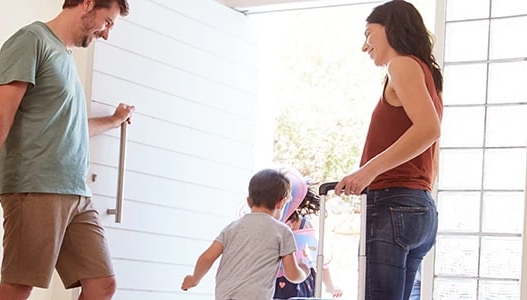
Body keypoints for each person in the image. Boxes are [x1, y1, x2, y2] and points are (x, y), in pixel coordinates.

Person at [0, 1, 132, 299]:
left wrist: (114, 120)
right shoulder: (31, 41)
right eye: (108, 22)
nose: (106, 34)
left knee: (102, 284)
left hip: (76, 193)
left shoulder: (65, 58)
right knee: (19, 284)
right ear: (89, 4)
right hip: (36, 185)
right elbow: (3, 112)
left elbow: (73, 126)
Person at [335, 1, 442, 299]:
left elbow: (429, 130)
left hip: (393, 204)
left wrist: (366, 172)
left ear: (391, 28)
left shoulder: (402, 65)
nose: (364, 46)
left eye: (369, 33)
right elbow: (429, 139)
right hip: (419, 207)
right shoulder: (427, 73)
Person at [181, 168, 310, 299]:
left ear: (248, 201)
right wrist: (304, 272)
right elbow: (292, 274)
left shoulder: (232, 228)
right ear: (281, 203)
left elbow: (207, 258)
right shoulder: (282, 231)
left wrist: (194, 279)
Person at [273, 174, 343, 299]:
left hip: (299, 277)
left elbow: (317, 256)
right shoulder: (272, 224)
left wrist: (330, 286)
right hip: (279, 278)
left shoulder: (302, 224)